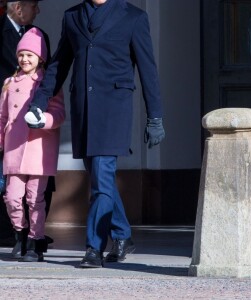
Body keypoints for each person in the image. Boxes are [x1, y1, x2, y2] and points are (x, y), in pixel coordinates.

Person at [25, 0, 165, 268]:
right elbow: (59, 65)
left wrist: (155, 116)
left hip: (114, 110)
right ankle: (123, 235)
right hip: (83, 111)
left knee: (101, 178)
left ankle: (93, 247)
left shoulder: (133, 17)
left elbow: (149, 70)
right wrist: (39, 103)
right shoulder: (72, 16)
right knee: (103, 180)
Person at [0, 27, 65, 262]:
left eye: (30, 54)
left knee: (35, 198)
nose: (24, 59)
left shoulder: (47, 84)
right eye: (21, 54)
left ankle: (35, 240)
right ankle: (20, 233)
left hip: (39, 150)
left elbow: (58, 114)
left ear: (41, 58)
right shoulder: (9, 83)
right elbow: (2, 118)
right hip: (14, 149)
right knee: (12, 197)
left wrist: (43, 120)